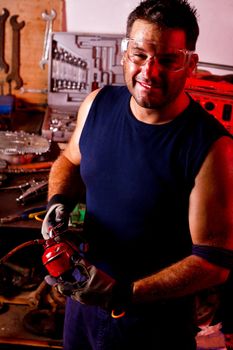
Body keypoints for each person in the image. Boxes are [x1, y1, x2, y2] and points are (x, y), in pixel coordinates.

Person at [41, 0, 233, 349]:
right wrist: (58, 200)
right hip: (82, 305)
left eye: (168, 60)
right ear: (124, 53)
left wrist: (124, 292)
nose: (149, 71)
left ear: (189, 63)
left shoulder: (210, 147)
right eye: (140, 55)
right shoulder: (97, 104)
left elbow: (214, 261)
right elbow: (68, 161)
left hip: (151, 323)